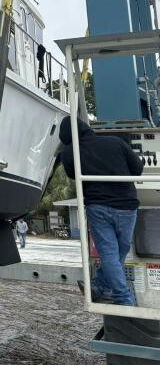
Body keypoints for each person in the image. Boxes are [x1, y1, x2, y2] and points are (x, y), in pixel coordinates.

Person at [59, 116, 144, 306]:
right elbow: (138, 168)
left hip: (98, 207)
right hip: (127, 206)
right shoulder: (115, 142)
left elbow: (73, 175)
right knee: (118, 253)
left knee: (111, 255)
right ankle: (106, 290)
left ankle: (115, 294)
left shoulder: (69, 152)